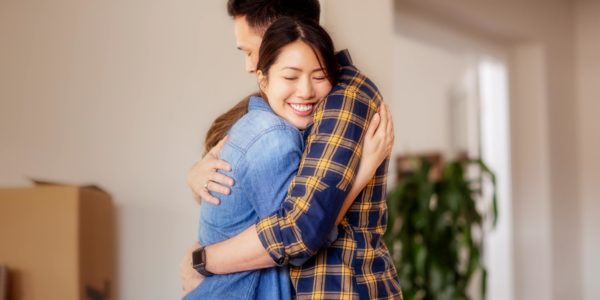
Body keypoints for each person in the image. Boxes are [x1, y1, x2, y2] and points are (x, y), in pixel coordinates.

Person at [182, 1, 403, 299]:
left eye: (250, 51)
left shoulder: (335, 103)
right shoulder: (272, 124)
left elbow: (299, 230)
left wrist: (203, 260)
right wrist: (195, 179)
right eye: (290, 76)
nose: (249, 65)